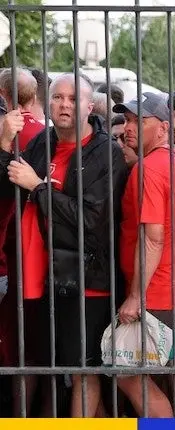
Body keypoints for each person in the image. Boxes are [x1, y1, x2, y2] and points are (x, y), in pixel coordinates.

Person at [0, 73, 128, 417]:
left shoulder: (106, 153)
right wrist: (2, 144)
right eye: (58, 97)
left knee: (82, 369)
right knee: (54, 364)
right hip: (41, 274)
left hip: (85, 274)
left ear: (89, 105)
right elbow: (9, 185)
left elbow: (91, 219)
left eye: (73, 99)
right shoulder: (42, 142)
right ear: (48, 102)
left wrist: (39, 187)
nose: (64, 105)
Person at [116, 92, 175, 418]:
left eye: (140, 120)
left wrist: (136, 296)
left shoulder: (149, 169)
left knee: (128, 374)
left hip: (156, 292)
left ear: (164, 127)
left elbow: (152, 238)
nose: (129, 128)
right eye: (127, 120)